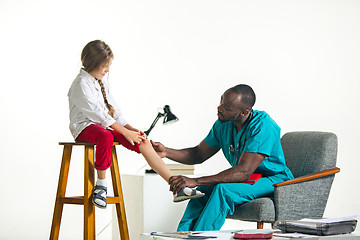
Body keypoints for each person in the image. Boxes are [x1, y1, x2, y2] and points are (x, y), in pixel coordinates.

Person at [67, 40, 204, 209]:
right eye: (104, 66)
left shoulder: (99, 82)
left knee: (142, 140)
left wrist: (131, 130)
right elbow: (100, 115)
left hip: (104, 125)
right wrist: (125, 133)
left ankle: (177, 185)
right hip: (84, 128)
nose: (107, 70)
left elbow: (114, 113)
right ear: (92, 63)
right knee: (106, 135)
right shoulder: (81, 84)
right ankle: (100, 185)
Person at [151, 84, 294, 231]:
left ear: (244, 112)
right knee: (202, 190)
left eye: (227, 107)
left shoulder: (263, 125)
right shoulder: (223, 124)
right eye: (221, 102)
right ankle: (182, 235)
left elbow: (243, 172)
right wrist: (166, 152)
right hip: (248, 178)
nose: (219, 108)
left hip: (275, 180)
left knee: (223, 191)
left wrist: (194, 180)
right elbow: (198, 154)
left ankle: (202, 237)